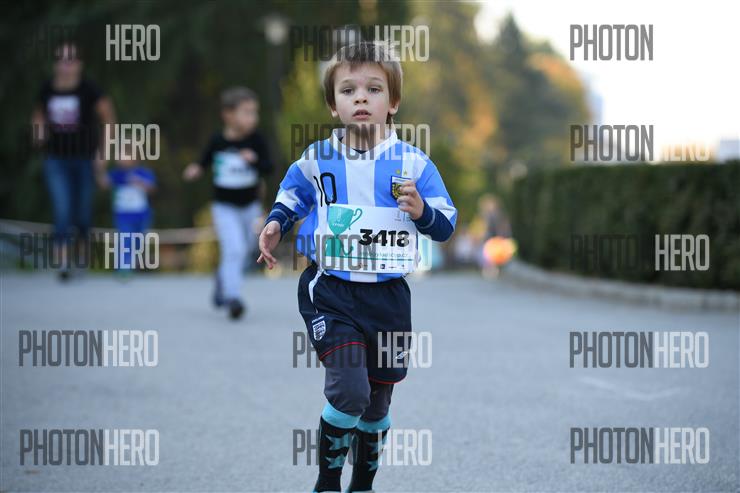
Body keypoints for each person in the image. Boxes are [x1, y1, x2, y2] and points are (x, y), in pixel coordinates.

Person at [257, 42, 456, 492]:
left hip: (388, 298)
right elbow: (293, 194)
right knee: (350, 390)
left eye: (373, 89)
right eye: (348, 90)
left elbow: (445, 224)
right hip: (331, 290)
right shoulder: (317, 158)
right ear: (333, 105)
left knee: (377, 403)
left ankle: (362, 484)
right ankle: (327, 483)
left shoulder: (414, 163)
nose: (360, 97)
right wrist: (275, 222)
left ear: (393, 102)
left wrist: (422, 211)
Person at [183, 87, 273, 320]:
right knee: (234, 249)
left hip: (250, 207)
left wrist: (254, 161)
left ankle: (223, 280)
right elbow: (204, 160)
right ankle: (233, 297)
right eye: (247, 113)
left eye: (255, 113)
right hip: (224, 207)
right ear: (228, 115)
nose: (253, 118)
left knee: (248, 248)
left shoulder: (256, 140)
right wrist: (196, 168)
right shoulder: (218, 141)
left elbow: (269, 167)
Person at [31, 42, 116, 280]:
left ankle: (81, 258)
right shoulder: (47, 88)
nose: (65, 66)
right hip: (56, 159)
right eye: (61, 60)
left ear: (79, 64)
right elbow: (38, 115)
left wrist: (103, 154)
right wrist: (38, 131)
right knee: (62, 210)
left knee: (82, 214)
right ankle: (63, 264)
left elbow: (109, 121)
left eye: (70, 60)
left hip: (85, 159)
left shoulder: (90, 89)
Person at [96, 144, 156, 277]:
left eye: (124, 155)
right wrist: (99, 169)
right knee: (125, 239)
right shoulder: (116, 174)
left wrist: (139, 182)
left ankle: (134, 263)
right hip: (123, 215)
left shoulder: (143, 173)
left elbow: (152, 188)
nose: (121, 159)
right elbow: (104, 184)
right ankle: (123, 267)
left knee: (138, 241)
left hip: (142, 215)